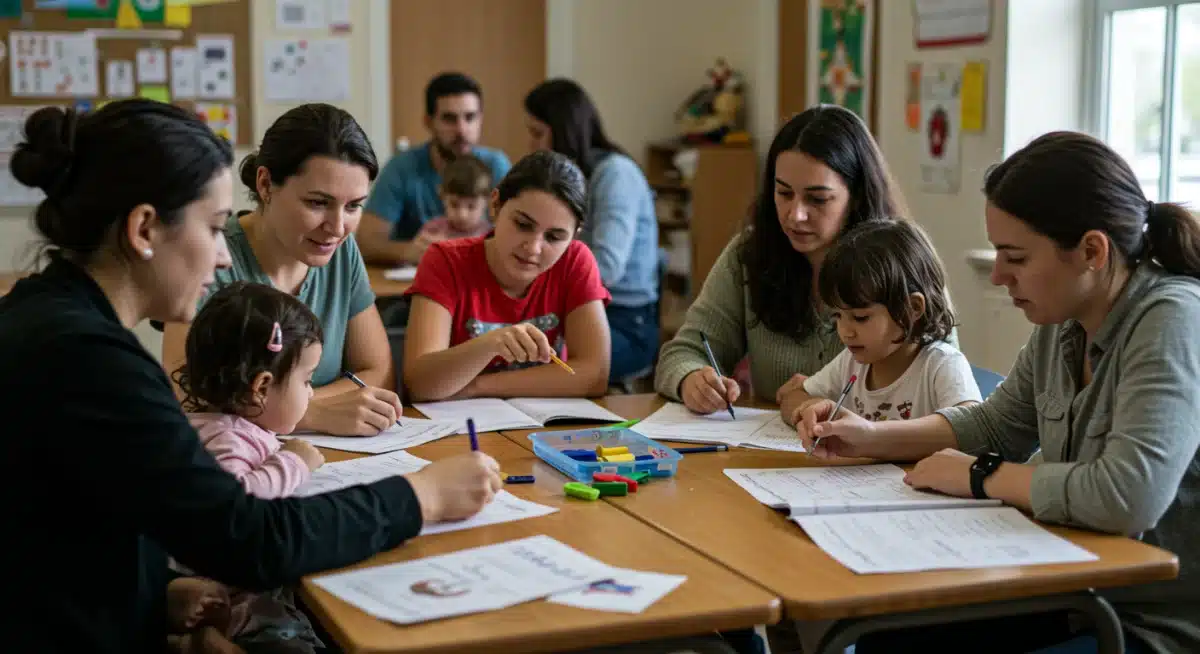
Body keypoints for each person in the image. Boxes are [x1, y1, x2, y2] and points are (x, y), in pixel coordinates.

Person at [0, 99, 500, 653]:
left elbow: (77, 528)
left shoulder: (45, 315)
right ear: (143, 229)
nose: (222, 256)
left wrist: (158, 593)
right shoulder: (91, 360)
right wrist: (420, 496)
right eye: (214, 228)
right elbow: (250, 539)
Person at [797, 132, 1200, 654]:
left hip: (1148, 623)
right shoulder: (1064, 319)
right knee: (886, 633)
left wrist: (981, 475)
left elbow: (1128, 497)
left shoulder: (1173, 318)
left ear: (1092, 251)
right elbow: (996, 426)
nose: (998, 275)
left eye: (1015, 256)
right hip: (1075, 588)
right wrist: (870, 437)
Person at [653, 104, 957, 415]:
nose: (795, 215)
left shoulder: (904, 263)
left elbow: (946, 385)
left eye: (817, 199)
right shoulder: (749, 254)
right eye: (784, 193)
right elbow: (682, 353)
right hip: (770, 442)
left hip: (880, 445)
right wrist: (693, 379)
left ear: (856, 196)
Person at [162, 103, 403, 437]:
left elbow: (377, 372)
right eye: (318, 203)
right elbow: (187, 399)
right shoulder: (211, 257)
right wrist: (311, 414)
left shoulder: (341, 250)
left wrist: (291, 410)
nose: (337, 227)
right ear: (265, 185)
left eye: (353, 206)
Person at [173, 282, 330, 653]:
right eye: (307, 380)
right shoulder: (227, 439)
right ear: (261, 387)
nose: (310, 392)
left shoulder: (207, 426)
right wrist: (294, 462)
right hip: (239, 606)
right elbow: (237, 503)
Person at [402, 150, 612, 401]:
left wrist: (478, 386)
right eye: (523, 225)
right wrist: (491, 344)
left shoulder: (575, 261)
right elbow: (420, 384)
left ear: (574, 235)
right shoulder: (445, 260)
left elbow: (594, 375)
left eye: (554, 237)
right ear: (495, 205)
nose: (533, 248)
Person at [524, 78, 660, 383]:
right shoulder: (577, 177)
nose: (532, 145)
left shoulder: (615, 174)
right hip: (578, 310)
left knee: (535, 361)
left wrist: (535, 278)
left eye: (538, 133)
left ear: (564, 131)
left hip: (625, 322)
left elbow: (607, 268)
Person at [789, 219, 980, 426]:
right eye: (837, 316)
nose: (845, 332)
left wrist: (877, 436)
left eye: (860, 317)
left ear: (913, 308)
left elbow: (971, 428)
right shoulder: (851, 363)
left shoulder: (941, 365)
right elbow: (794, 396)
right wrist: (810, 408)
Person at [359, 72, 512, 266]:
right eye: (449, 119)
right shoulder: (402, 167)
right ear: (428, 122)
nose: (462, 129)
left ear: (481, 119)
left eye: (470, 117)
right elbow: (366, 243)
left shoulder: (496, 165)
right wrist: (410, 251)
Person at [413, 153, 494, 244]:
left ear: (487, 201)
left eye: (471, 206)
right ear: (442, 196)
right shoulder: (432, 230)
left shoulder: (491, 236)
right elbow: (416, 249)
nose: (462, 215)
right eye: (454, 205)